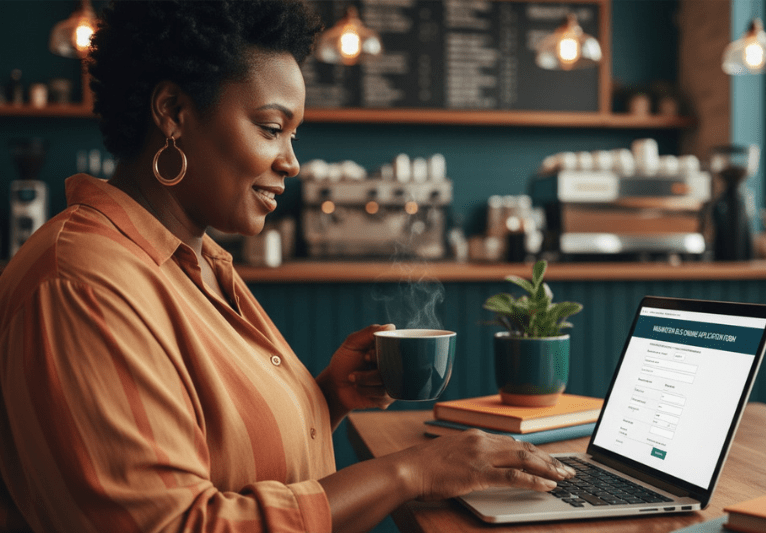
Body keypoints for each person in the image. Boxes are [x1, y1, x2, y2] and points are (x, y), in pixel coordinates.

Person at [0, 1, 575, 532]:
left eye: (293, 135)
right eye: (272, 129)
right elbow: (176, 524)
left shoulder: (195, 259)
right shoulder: (82, 285)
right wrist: (414, 471)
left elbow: (226, 457)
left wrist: (329, 396)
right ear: (173, 112)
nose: (292, 162)